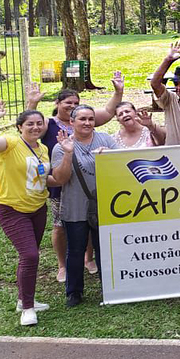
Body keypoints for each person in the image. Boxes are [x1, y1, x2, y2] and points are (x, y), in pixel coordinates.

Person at [27, 76, 123, 282]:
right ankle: (63, 266)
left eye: (75, 103)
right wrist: (32, 102)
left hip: (92, 186)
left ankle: (90, 259)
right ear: (58, 105)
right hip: (61, 182)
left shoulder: (97, 131)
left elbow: (107, 112)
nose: (72, 106)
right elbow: (29, 126)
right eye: (68, 103)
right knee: (63, 225)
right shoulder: (48, 123)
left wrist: (118, 92)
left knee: (90, 221)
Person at [0, 100, 52, 326]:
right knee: (30, 255)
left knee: (30, 255)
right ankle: (27, 309)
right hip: (12, 210)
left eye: (39, 123)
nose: (35, 127)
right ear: (20, 127)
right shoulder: (10, 144)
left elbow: (43, 178)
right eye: (29, 124)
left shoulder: (43, 149)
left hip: (37, 208)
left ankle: (23, 299)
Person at [50, 104, 117, 308]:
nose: (87, 123)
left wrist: (110, 159)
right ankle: (74, 291)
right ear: (72, 122)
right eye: (82, 119)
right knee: (76, 250)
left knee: (104, 249)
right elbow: (60, 179)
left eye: (90, 119)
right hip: (75, 205)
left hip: (104, 205)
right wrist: (68, 154)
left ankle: (110, 288)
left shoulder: (106, 139)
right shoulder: (61, 146)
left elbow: (123, 168)